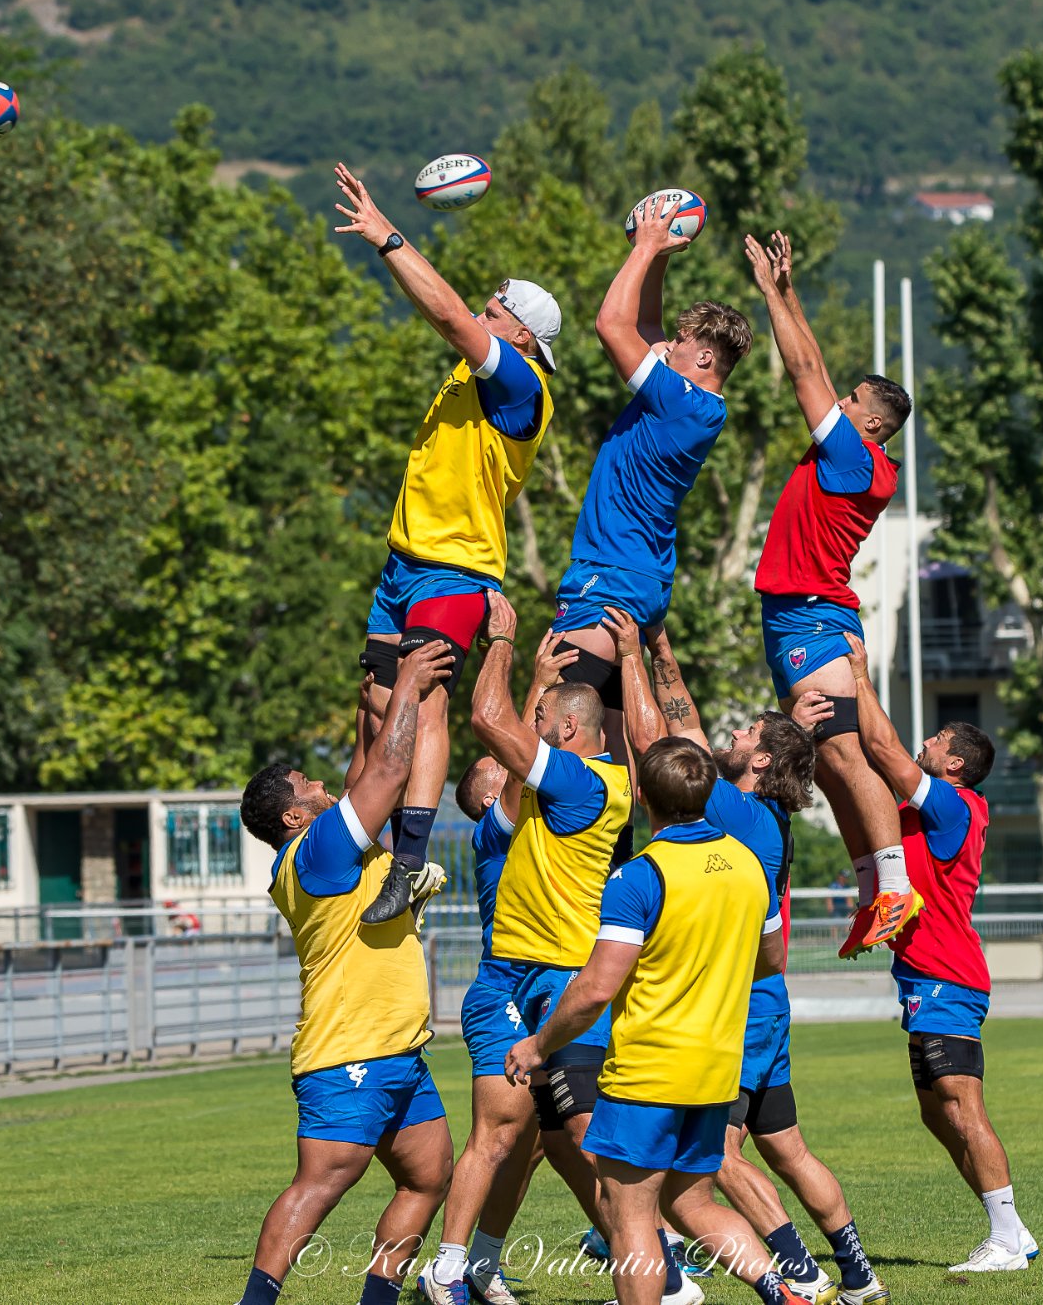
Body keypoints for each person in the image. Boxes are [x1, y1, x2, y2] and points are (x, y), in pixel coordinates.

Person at [609, 611, 889, 1305]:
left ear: (761, 761)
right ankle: (858, 1273)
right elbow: (691, 730)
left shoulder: (735, 812)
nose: (731, 734)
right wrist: (663, 645)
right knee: (786, 1147)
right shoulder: (765, 814)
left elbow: (664, 739)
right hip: (767, 1004)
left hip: (738, 1008)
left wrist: (634, 656)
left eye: (747, 734)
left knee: (720, 1161)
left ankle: (795, 1272)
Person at [332, 162, 563, 924]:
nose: (482, 312)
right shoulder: (476, 373)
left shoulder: (521, 381)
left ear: (521, 331)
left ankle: (411, 860)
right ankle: (362, 833)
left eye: (495, 308)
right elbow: (459, 321)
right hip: (403, 563)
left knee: (423, 700)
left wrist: (388, 236)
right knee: (374, 705)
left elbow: (448, 315)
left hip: (454, 568)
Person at [503, 739, 808, 1305]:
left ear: (643, 796)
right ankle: (781, 1289)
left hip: (649, 1072)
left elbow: (595, 988)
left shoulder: (639, 876)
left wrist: (538, 1045)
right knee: (692, 1204)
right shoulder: (748, 864)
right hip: (717, 1069)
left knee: (630, 1216)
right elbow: (772, 959)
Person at [458, 592, 679, 1299]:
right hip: (525, 982)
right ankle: (642, 1249)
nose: (516, 755)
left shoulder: (571, 788)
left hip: (555, 980)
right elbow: (512, 741)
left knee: (558, 1137)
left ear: (567, 730)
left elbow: (508, 731)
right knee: (545, 1138)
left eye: (543, 728)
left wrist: (513, 655)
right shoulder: (510, 818)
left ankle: (648, 1250)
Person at [233, 642, 458, 1305]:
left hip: (397, 1048)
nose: (322, 781)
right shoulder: (318, 849)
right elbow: (385, 775)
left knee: (429, 1175)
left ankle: (378, 1299)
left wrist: (370, 700)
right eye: (307, 783)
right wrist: (412, 682)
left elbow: (367, 764)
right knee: (323, 1181)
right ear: (292, 815)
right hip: (347, 1051)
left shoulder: (324, 842)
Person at [739, 231, 919, 962]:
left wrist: (771, 295)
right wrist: (786, 292)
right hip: (799, 615)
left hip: (812, 615)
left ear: (870, 422)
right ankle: (875, 885)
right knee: (828, 757)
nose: (839, 401)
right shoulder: (862, 456)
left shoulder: (851, 453)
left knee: (844, 753)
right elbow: (816, 365)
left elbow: (803, 365)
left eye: (852, 400)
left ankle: (897, 885)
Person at [842, 633, 1040, 1274]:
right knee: (936, 1112)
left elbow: (882, 750)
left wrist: (861, 679)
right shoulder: (937, 809)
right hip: (926, 977)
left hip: (946, 976)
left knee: (962, 1103)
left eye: (935, 743)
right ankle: (1011, 1227)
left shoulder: (952, 804)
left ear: (953, 765)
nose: (924, 746)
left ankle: (1007, 1237)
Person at [544, 195, 752, 729]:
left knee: (555, 725)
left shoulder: (680, 400)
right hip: (637, 574)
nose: (666, 346)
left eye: (680, 343)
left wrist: (644, 245)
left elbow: (614, 324)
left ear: (704, 358)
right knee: (611, 737)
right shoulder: (691, 398)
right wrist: (660, 255)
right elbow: (649, 322)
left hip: (609, 573)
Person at [422, 635, 582, 1305]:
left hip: (540, 987)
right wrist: (538, 683)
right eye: (500, 764)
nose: (514, 759)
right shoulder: (498, 828)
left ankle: (483, 1260)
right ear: (490, 798)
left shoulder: (546, 825)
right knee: (500, 1130)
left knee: (541, 1140)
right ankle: (447, 1266)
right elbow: (522, 759)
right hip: (500, 995)